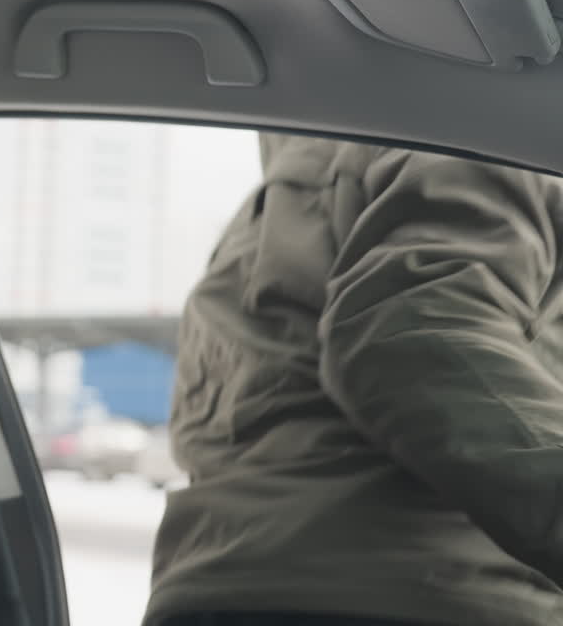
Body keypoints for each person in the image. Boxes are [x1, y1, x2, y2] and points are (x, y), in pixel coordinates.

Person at [145, 133, 563, 626]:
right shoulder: (476, 135)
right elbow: (420, 335)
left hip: (220, 585)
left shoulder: (293, 188)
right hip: (415, 591)